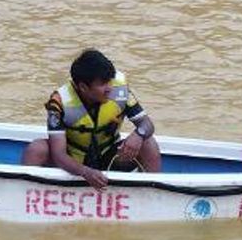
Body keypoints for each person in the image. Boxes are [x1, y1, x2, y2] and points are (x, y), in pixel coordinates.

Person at [19, 49, 161, 190]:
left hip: (109, 158)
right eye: (102, 84)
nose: (109, 88)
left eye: (110, 81)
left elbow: (147, 124)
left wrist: (139, 135)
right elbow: (58, 155)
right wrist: (85, 172)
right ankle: (28, 198)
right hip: (73, 161)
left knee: (147, 142)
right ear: (83, 87)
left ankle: (153, 194)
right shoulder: (58, 103)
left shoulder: (119, 91)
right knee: (36, 148)